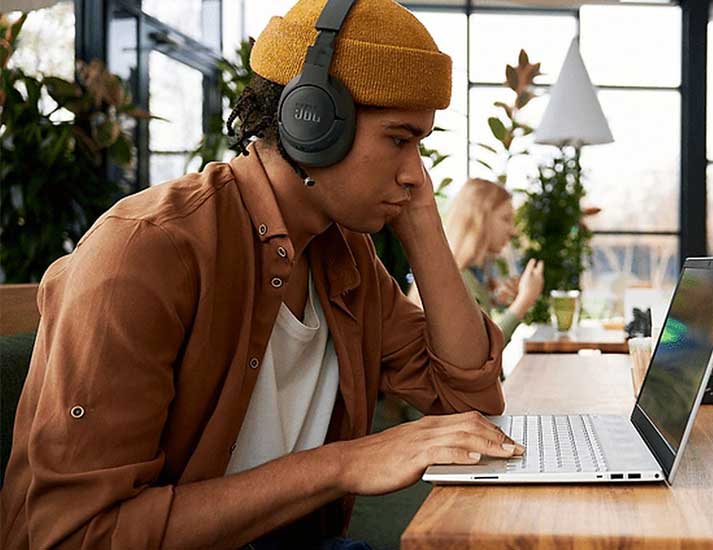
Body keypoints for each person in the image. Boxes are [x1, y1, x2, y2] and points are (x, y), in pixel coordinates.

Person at [0, 0, 525, 547]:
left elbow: (470, 404)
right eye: (399, 140)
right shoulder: (149, 251)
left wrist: (422, 225)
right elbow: (78, 536)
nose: (417, 172)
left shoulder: (346, 257)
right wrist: (342, 465)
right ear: (313, 121)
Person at [409, 178, 544, 347]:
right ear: (480, 219)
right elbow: (484, 351)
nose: (512, 230)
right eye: (505, 219)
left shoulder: (468, 274)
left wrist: (494, 299)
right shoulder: (456, 279)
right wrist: (524, 301)